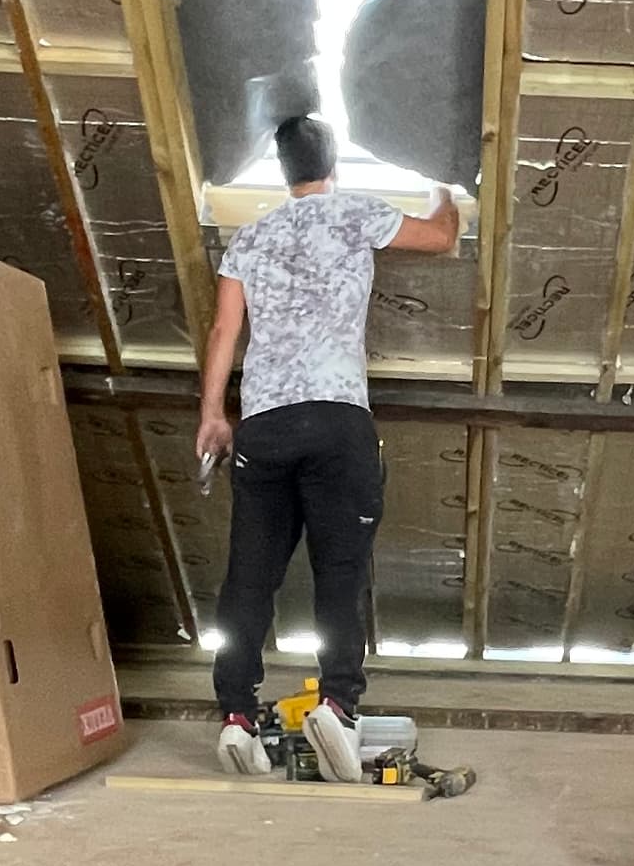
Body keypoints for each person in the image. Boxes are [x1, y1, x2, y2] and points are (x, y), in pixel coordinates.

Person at [197, 114, 460, 780]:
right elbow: (441, 237)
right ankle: (337, 707)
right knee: (339, 572)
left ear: (283, 172)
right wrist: (444, 182)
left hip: (264, 425)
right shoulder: (355, 214)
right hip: (337, 420)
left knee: (249, 576)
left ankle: (236, 714)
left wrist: (213, 415)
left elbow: (225, 331)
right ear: (333, 165)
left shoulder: (250, 237)